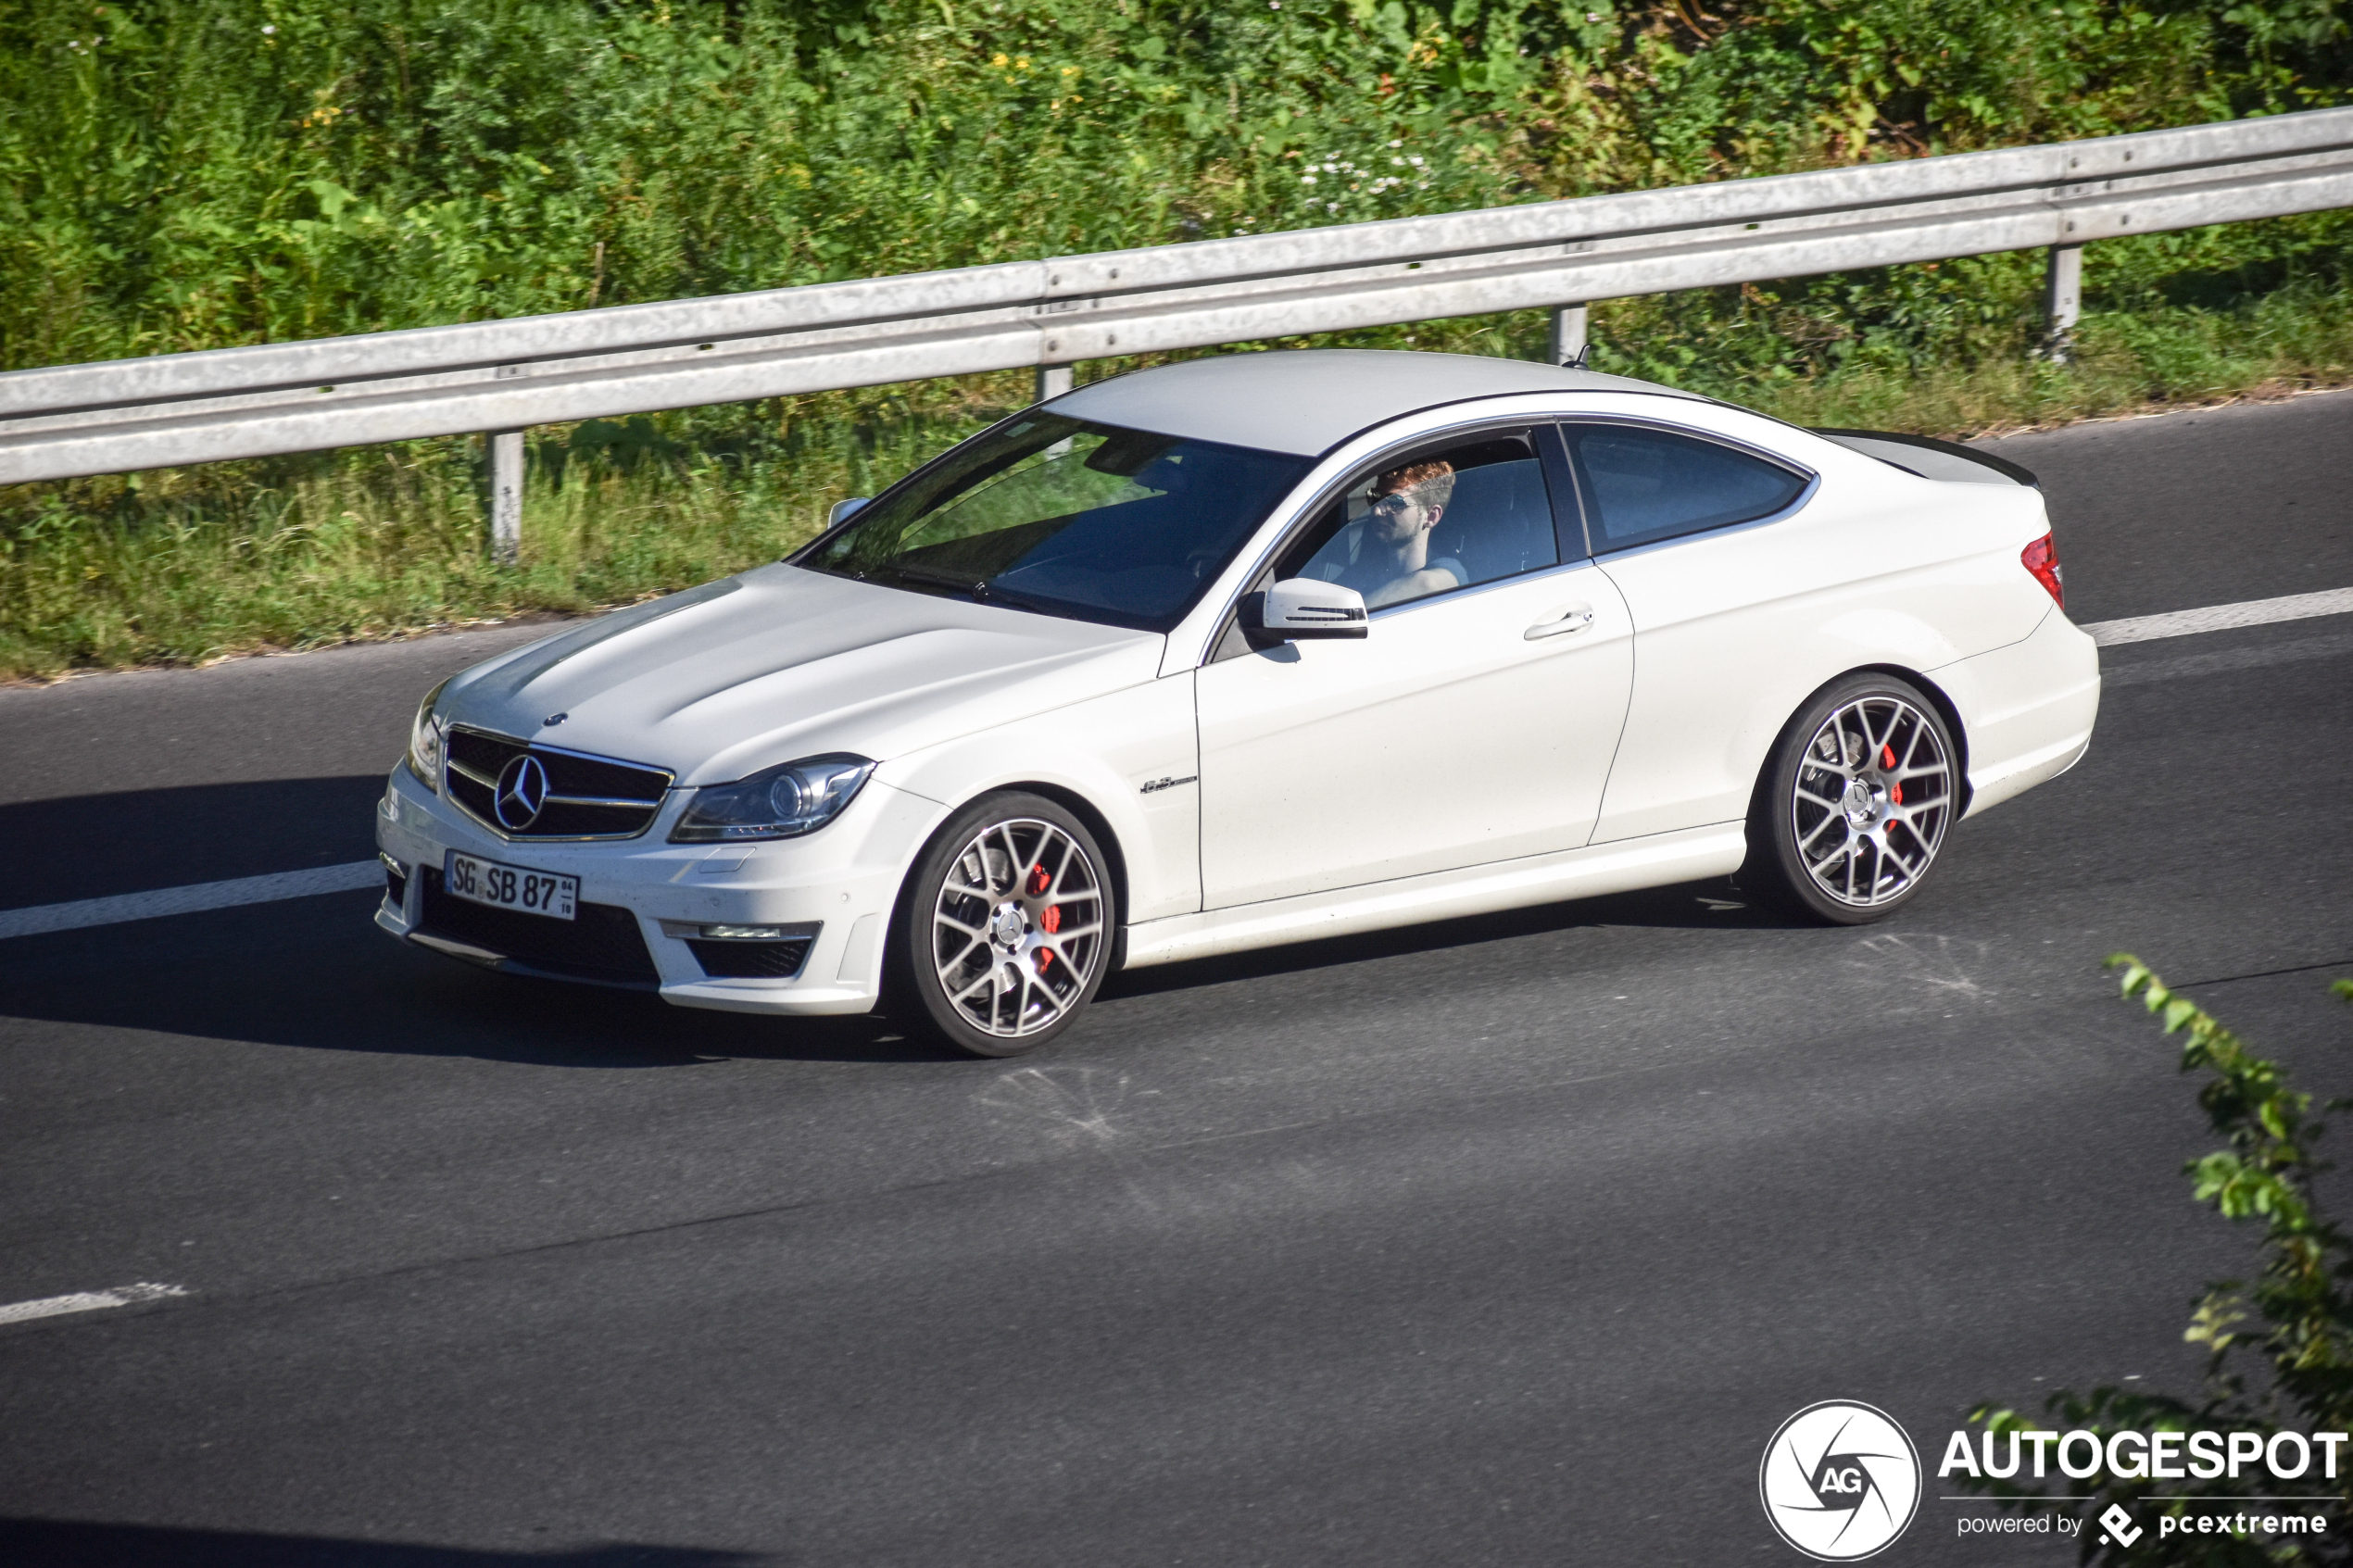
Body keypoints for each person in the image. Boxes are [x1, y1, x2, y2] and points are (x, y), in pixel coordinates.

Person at [1315, 459, 1465, 608]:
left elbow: (1428, 584)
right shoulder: (1365, 571)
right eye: (1375, 497)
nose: (1377, 511)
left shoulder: (1449, 569)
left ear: (1431, 516)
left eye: (1395, 503)